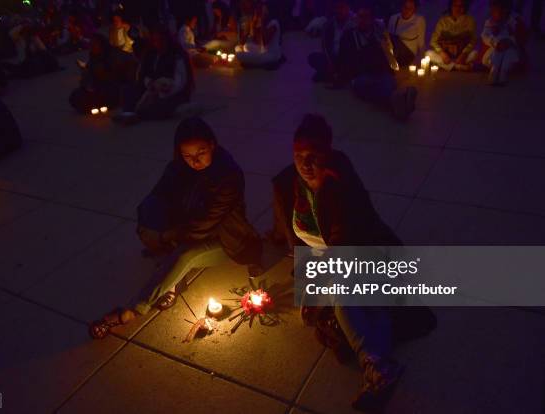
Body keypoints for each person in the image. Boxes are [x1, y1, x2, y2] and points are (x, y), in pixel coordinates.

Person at [270, 114, 435, 412]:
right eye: (299, 157)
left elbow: (345, 243)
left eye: (314, 157)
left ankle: (373, 364)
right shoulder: (288, 183)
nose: (305, 165)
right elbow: (286, 225)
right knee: (332, 308)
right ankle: (381, 366)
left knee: (344, 293)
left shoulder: (342, 187)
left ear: (328, 154)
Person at [89, 117, 263, 338]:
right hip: (186, 228)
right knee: (150, 218)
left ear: (212, 145)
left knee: (183, 255)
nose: (195, 161)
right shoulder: (178, 168)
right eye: (188, 156)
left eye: (201, 153)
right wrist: (157, 228)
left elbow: (205, 224)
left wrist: (168, 236)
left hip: (223, 238)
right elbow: (158, 197)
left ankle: (133, 310)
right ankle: (169, 277)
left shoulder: (228, 176)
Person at [337, 2, 417, 120]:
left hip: (381, 73)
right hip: (362, 75)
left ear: (371, 19)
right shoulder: (349, 36)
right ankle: (399, 104)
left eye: (366, 17)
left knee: (387, 85)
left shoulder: (379, 34)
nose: (362, 20)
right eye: (360, 17)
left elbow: (390, 55)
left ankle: (398, 106)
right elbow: (345, 60)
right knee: (366, 86)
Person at [113, 26, 194, 125]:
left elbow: (181, 80)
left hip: (170, 92)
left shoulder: (177, 55)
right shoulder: (151, 54)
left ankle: (136, 115)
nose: (158, 43)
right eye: (155, 40)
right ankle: (129, 113)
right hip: (151, 89)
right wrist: (149, 83)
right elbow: (145, 74)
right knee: (127, 90)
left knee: (160, 106)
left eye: (160, 40)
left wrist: (165, 90)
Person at [69, 33, 120, 114]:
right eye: (91, 44)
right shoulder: (93, 58)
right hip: (96, 88)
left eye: (95, 44)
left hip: (111, 86)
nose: (92, 47)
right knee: (76, 96)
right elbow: (87, 78)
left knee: (110, 94)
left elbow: (118, 75)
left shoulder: (111, 55)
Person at [481, 0, 528, 85]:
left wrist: (509, 41)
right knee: (495, 54)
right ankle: (494, 70)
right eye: (492, 10)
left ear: (505, 10)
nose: (493, 13)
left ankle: (503, 72)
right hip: (496, 47)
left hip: (510, 47)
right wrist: (495, 43)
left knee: (508, 54)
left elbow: (520, 37)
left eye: (496, 11)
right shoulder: (490, 22)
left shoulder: (514, 21)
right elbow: (485, 35)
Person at [307, 0, 355, 83]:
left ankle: (332, 74)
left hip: (349, 59)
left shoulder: (355, 22)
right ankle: (333, 73)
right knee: (312, 58)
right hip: (333, 58)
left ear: (348, 8)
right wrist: (330, 62)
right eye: (337, 8)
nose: (339, 11)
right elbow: (325, 47)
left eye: (341, 8)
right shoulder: (329, 24)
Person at [426, 0, 478, 71]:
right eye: (455, 6)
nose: (458, 9)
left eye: (461, 6)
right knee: (428, 54)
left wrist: (464, 54)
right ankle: (456, 67)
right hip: (446, 55)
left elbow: (473, 40)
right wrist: (442, 53)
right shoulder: (443, 21)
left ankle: (451, 66)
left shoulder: (469, 21)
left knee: (475, 54)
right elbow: (433, 41)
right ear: (451, 7)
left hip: (461, 55)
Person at [236, 2, 285, 69]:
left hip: (271, 55)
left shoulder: (274, 23)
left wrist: (261, 21)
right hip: (263, 51)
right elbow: (255, 41)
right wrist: (250, 27)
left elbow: (265, 41)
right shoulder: (259, 22)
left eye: (261, 11)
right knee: (239, 48)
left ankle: (256, 63)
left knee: (240, 55)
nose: (258, 14)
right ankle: (254, 61)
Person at [387, 0, 426, 67]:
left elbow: (421, 44)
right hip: (395, 52)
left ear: (414, 10)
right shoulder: (394, 18)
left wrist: (419, 60)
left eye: (410, 8)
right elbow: (389, 40)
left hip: (409, 54)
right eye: (405, 7)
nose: (406, 10)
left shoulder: (419, 20)